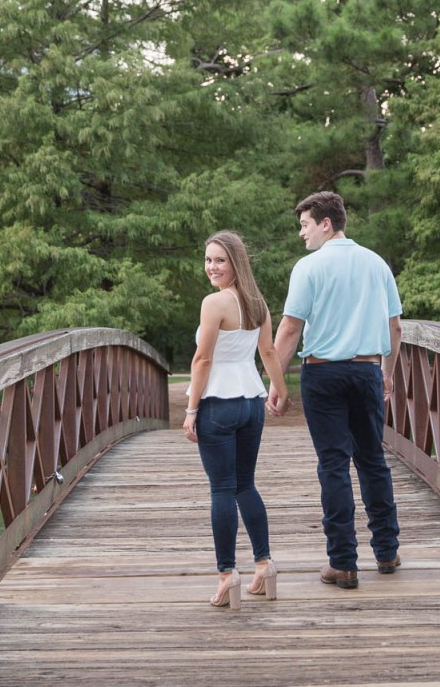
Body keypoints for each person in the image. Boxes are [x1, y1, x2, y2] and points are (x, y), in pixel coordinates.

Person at [268, 191, 402, 589]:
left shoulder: (309, 267)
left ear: (326, 224)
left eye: (305, 225)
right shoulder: (377, 263)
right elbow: (395, 328)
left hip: (323, 375)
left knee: (333, 465)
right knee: (372, 460)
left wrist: (276, 385)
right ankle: (387, 551)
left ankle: (343, 562)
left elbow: (291, 328)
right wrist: (387, 373)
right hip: (366, 371)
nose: (301, 234)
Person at [183, 230, 289, 611]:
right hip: (250, 402)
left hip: (219, 404)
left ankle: (228, 575)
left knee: (222, 490)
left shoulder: (214, 303)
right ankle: (265, 565)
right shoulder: (258, 303)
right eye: (209, 259)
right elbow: (269, 351)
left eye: (220, 260)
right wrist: (278, 390)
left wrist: (191, 409)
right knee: (246, 485)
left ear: (235, 263)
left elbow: (203, 360)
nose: (212, 267)